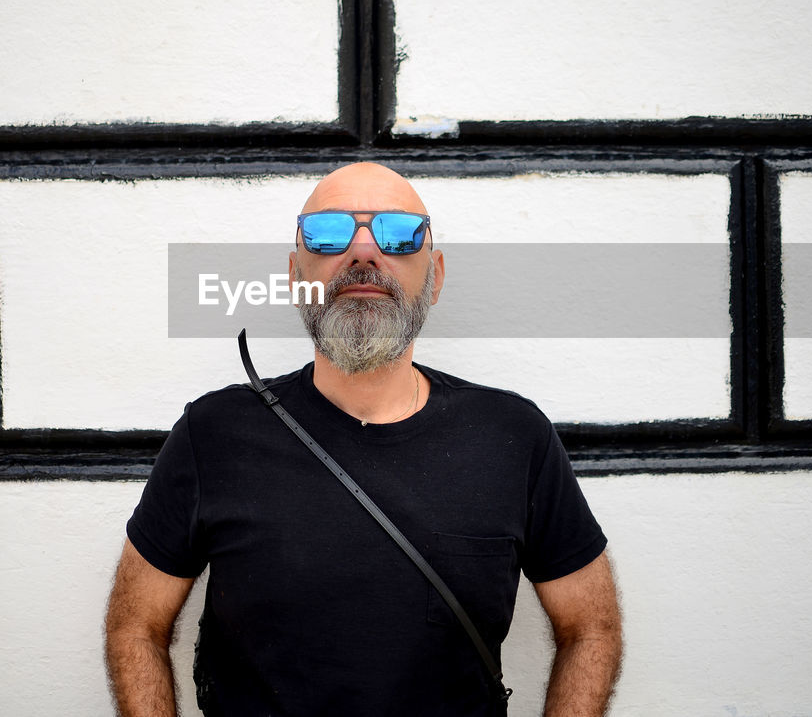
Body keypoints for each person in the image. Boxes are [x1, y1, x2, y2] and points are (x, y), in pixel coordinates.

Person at [105, 162, 622, 717]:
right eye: (328, 232)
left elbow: (591, 627)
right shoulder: (213, 433)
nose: (363, 252)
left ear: (436, 275)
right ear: (294, 274)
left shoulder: (515, 437)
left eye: (399, 234)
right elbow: (135, 625)